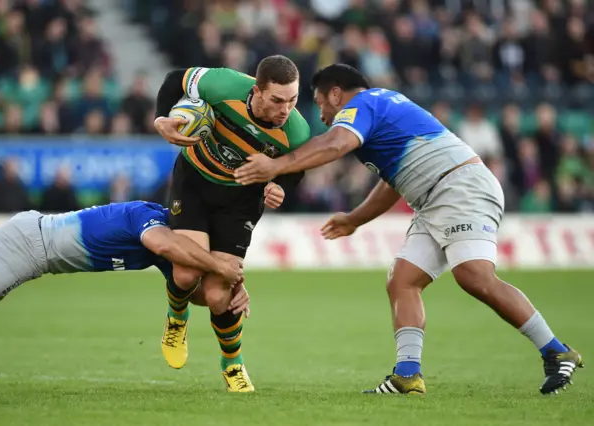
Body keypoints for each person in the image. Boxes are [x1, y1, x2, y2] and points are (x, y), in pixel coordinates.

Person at [234, 64, 583, 395]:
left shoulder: (365, 103)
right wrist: (355, 219)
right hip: (435, 198)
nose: (322, 115)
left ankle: (556, 351)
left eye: (321, 104)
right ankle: (407, 375)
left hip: (458, 188)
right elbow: (393, 184)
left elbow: (334, 144)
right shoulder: (383, 112)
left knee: (474, 275)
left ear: (337, 94)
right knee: (402, 280)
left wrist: (275, 166)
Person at [153, 55, 310, 391]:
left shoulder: (297, 131)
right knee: (184, 274)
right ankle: (176, 318)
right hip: (193, 182)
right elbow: (174, 79)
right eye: (277, 100)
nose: (285, 109)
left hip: (239, 202)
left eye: (293, 100)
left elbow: (297, 168)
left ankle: (232, 363)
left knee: (217, 295)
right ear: (257, 90)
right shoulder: (222, 84)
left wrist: (279, 186)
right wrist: (161, 118)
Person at [0, 202, 248, 320]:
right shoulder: (152, 217)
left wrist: (226, 288)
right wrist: (220, 266)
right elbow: (162, 242)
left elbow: (192, 291)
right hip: (29, 245)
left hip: (39, 256)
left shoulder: (172, 255)